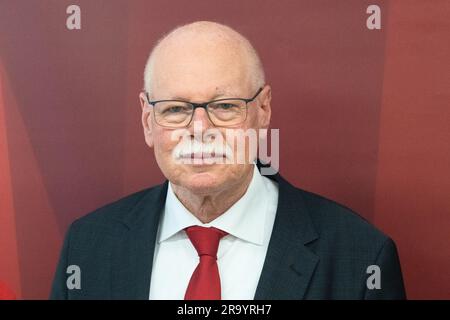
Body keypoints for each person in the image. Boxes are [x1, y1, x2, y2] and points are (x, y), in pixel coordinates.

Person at [50, 21, 405, 300]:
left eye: (224, 107)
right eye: (175, 109)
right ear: (147, 120)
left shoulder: (360, 258)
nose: (200, 129)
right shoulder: (87, 247)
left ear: (263, 110)